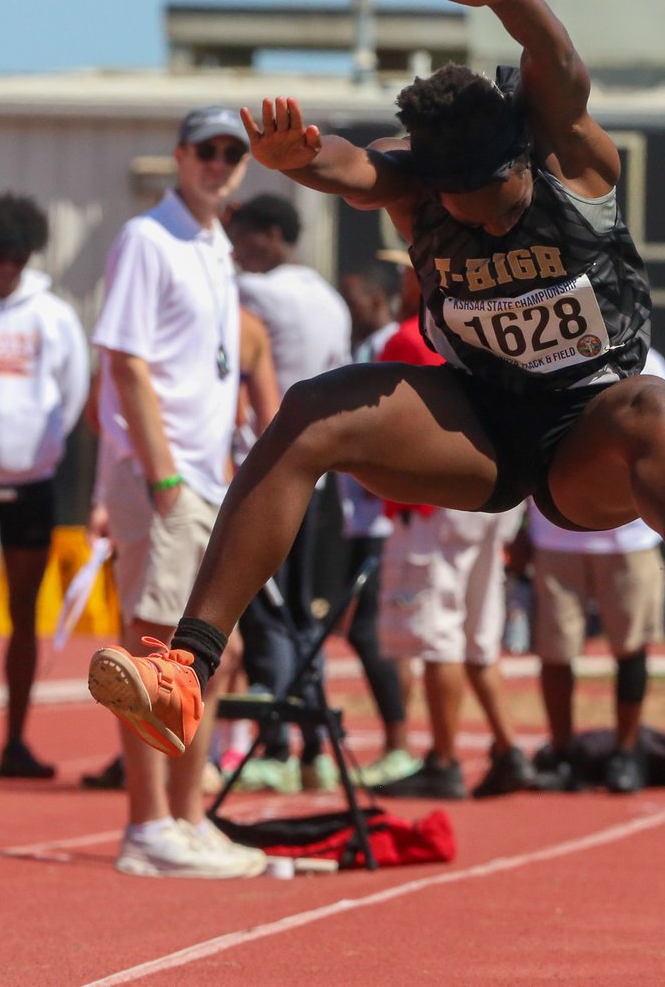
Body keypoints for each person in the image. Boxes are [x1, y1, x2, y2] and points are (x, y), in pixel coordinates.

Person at [87, 0, 665, 773]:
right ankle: (186, 667)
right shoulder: (426, 190)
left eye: (503, 194)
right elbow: (355, 169)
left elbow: (560, 67)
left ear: (527, 157)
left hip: (583, 430)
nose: (490, 216)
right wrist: (297, 159)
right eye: (467, 205)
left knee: (650, 404)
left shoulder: (575, 163)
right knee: (312, 410)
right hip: (477, 424)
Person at [85, 106, 266, 877]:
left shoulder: (215, 244)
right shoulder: (147, 238)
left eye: (233, 151)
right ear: (180, 155)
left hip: (209, 476)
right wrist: (162, 476)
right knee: (153, 659)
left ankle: (187, 819)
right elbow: (124, 361)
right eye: (207, 149)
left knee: (205, 659)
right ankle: (146, 825)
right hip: (168, 478)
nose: (220, 162)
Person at [373, 264, 531, 799]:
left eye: (406, 270)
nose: (400, 280)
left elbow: (383, 426)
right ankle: (509, 751)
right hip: (494, 492)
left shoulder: (409, 335)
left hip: (437, 499)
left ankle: (444, 759)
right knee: (477, 634)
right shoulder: (492, 325)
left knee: (439, 633)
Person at [224, 192, 352, 792]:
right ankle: (316, 748)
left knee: (265, 612)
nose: (235, 250)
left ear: (272, 234)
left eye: (243, 236)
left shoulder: (253, 294)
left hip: (269, 473)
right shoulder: (330, 299)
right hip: (321, 480)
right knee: (304, 613)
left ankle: (275, 744)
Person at [0, 192, 90, 779]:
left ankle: (14, 741)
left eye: (17, 254)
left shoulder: (54, 314)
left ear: (30, 252)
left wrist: (39, 449)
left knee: (21, 614)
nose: (6, 265)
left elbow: (71, 393)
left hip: (30, 482)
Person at [525, 348, 665, 795]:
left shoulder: (649, 364)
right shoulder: (548, 351)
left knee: (630, 647)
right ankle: (564, 753)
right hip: (554, 531)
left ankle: (627, 754)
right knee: (555, 651)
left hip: (628, 534)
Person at [336, 253, 422, 788]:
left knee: (371, 632)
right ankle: (399, 738)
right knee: (375, 632)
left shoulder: (393, 345)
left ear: (375, 299)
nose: (346, 311)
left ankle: (398, 742)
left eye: (353, 302)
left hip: (382, 516)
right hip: (362, 514)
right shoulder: (368, 346)